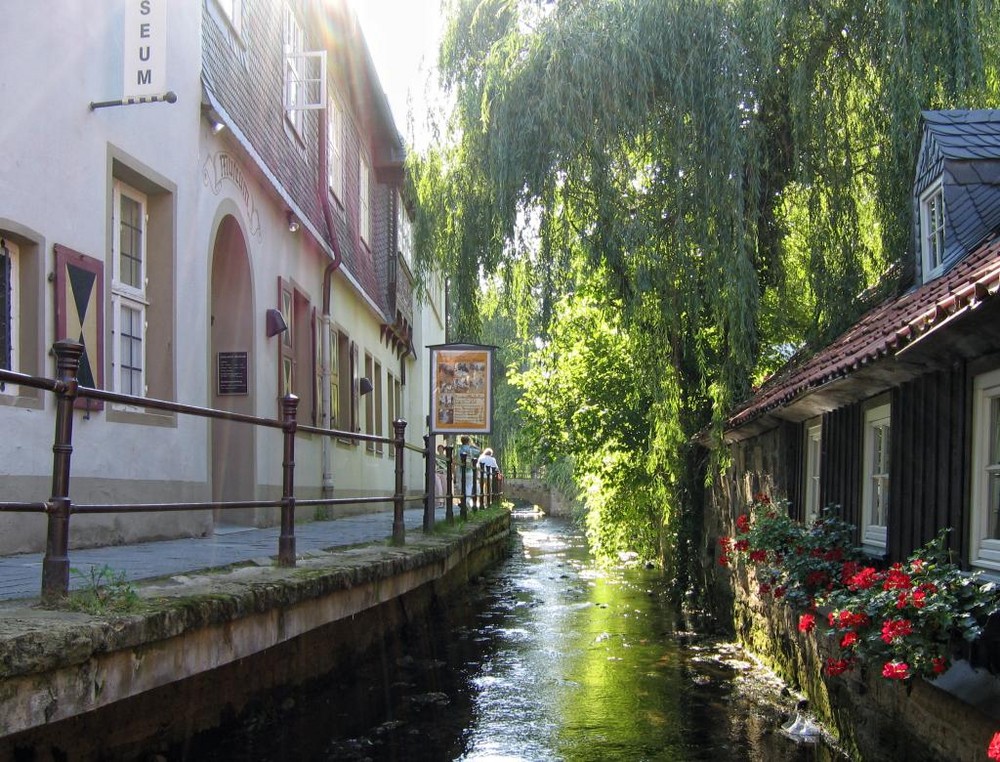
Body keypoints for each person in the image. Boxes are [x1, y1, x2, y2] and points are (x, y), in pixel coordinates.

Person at [457, 435, 480, 505]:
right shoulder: (471, 449)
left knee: (462, 485)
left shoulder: (459, 449)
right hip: (469, 470)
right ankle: (466, 500)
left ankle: (463, 500)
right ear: (468, 441)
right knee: (469, 485)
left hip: (460, 470)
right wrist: (473, 446)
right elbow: (480, 451)